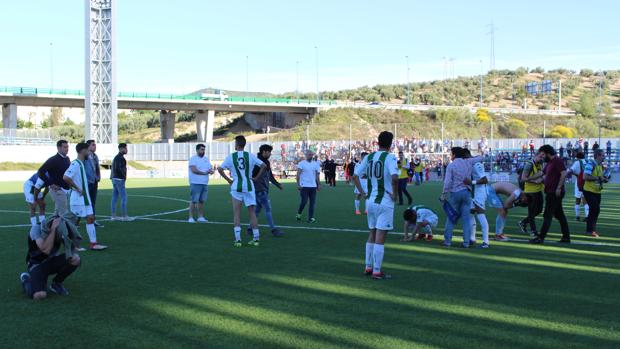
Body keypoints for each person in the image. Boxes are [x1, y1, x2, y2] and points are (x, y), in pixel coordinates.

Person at [353, 131, 399, 280]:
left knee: (372, 233)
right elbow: (395, 177)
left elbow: (354, 176)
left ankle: (368, 266)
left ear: (378, 142)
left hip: (370, 202)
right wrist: (395, 194)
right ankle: (377, 271)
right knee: (380, 236)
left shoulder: (369, 157)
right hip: (385, 202)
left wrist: (362, 192)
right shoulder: (390, 158)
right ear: (391, 144)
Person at [218, 135, 266, 247]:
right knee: (252, 213)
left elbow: (220, 169)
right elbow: (263, 166)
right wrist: (256, 178)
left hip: (236, 186)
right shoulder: (250, 156)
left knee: (237, 213)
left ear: (237, 144)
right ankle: (256, 239)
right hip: (249, 185)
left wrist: (228, 180)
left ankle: (238, 240)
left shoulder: (231, 157)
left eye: (235, 143)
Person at [19, 214, 82, 300]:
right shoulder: (36, 228)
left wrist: (70, 237)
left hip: (51, 262)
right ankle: (26, 280)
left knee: (75, 259)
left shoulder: (61, 229)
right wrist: (53, 230)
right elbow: (45, 249)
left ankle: (56, 283)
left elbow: (73, 249)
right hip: (36, 265)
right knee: (40, 295)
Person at [63, 142, 108, 251]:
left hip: (84, 199)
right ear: (83, 151)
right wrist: (77, 188)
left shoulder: (81, 163)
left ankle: (93, 244)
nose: (89, 153)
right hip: (78, 199)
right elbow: (66, 177)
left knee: (90, 218)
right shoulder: (76, 164)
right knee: (73, 222)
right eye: (88, 150)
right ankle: (72, 245)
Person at [441, 147, 481, 248]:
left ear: (454, 155)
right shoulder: (468, 162)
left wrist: (444, 193)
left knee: (451, 218)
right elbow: (481, 158)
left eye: (451, 154)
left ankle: (447, 241)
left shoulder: (451, 165)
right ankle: (466, 242)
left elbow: (447, 182)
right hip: (467, 193)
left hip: (455, 193)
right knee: (466, 219)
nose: (450, 156)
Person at [530, 145, 571, 244]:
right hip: (550, 192)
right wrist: (528, 178)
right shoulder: (549, 163)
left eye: (543, 154)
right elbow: (541, 174)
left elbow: (564, 173)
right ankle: (566, 237)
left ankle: (541, 237)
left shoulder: (557, 160)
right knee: (560, 215)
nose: (543, 157)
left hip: (554, 193)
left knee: (548, 215)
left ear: (548, 153)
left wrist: (558, 188)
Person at [247, 144, 284, 237]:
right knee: (268, 209)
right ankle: (273, 229)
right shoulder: (258, 162)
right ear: (264, 152)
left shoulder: (266, 162)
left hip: (261, 189)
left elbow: (270, 176)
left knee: (257, 210)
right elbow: (252, 176)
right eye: (269, 152)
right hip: (260, 190)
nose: (270, 154)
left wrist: (278, 184)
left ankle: (249, 228)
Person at [464, 149, 491, 248]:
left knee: (480, 215)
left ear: (466, 156)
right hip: (474, 193)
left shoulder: (476, 164)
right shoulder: (470, 164)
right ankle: (472, 238)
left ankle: (486, 242)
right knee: (470, 213)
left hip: (480, 193)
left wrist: (471, 182)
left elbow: (485, 179)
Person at [35, 140, 71, 216]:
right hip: (57, 190)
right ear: (58, 148)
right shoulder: (53, 159)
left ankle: (47, 227)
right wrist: (50, 184)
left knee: (57, 213)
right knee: (63, 212)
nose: (67, 149)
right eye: (65, 147)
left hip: (65, 189)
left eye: (67, 147)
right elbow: (40, 171)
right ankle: (61, 228)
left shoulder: (67, 159)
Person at [518, 152, 545, 238]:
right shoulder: (529, 164)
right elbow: (523, 179)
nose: (542, 158)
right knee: (532, 211)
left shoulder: (540, 164)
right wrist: (535, 181)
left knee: (539, 210)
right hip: (530, 192)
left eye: (543, 157)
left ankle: (523, 222)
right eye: (540, 156)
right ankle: (533, 231)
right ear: (535, 156)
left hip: (538, 191)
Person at [582, 149, 607, 238]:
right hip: (589, 191)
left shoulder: (600, 165)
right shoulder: (591, 164)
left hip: (597, 191)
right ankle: (590, 230)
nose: (604, 157)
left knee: (595, 210)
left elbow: (599, 177)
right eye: (603, 155)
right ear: (597, 156)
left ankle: (591, 230)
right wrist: (599, 178)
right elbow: (585, 176)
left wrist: (604, 178)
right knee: (595, 209)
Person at [187, 144, 214, 223]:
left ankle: (200, 217)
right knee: (194, 200)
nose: (203, 151)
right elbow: (194, 170)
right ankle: (191, 217)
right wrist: (204, 173)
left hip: (204, 183)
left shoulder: (206, 159)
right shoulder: (193, 159)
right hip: (195, 182)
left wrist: (211, 171)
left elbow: (210, 168)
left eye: (204, 150)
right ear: (197, 150)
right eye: (202, 149)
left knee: (202, 201)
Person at [296, 150, 321, 223]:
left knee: (312, 203)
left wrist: (319, 184)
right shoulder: (301, 163)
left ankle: (310, 218)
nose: (311, 156)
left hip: (313, 186)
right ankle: (299, 213)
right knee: (304, 201)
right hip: (304, 186)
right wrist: (298, 184)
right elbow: (298, 175)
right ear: (306, 155)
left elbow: (317, 175)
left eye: (311, 155)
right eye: (309, 154)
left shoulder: (316, 164)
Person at [111, 143, 134, 221]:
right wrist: (124, 177)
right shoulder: (120, 158)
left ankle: (113, 216)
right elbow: (119, 169)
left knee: (114, 198)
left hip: (115, 179)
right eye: (125, 148)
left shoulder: (116, 157)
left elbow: (114, 169)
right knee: (124, 197)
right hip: (119, 180)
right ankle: (124, 216)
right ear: (121, 149)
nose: (126, 150)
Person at [85, 140, 103, 227]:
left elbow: (97, 168)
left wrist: (98, 176)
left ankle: (92, 220)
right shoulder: (85, 156)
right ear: (88, 146)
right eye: (93, 145)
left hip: (94, 181)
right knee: (85, 202)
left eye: (95, 145)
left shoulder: (95, 156)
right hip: (87, 182)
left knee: (92, 202)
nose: (95, 146)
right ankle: (76, 222)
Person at [568, 152, 589, 222]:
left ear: (577, 157)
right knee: (585, 199)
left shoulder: (577, 162)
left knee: (578, 199)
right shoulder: (587, 161)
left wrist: (576, 174)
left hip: (579, 182)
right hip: (587, 182)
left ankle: (577, 216)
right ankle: (587, 216)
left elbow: (570, 170)